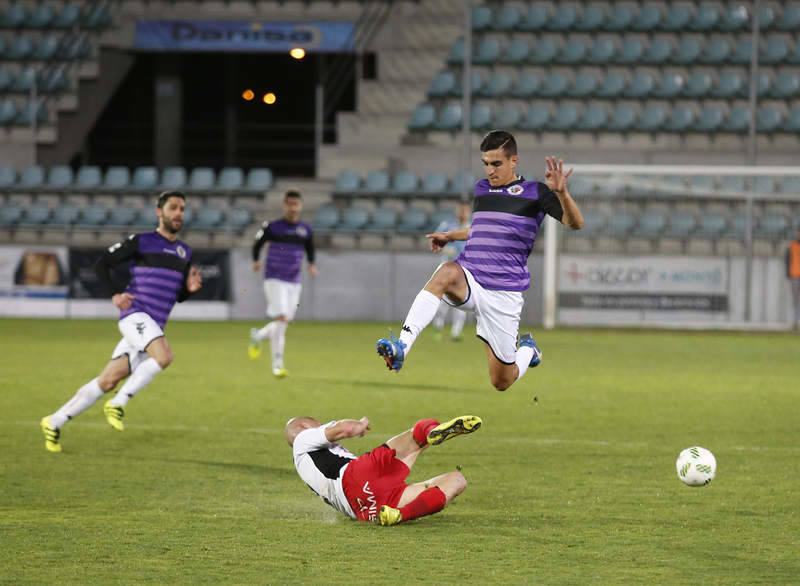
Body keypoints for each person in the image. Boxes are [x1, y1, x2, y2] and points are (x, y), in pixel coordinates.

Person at [377, 130, 583, 391]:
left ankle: (528, 351)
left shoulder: (536, 192)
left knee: (501, 381)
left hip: (504, 292)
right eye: (486, 163)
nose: (490, 170)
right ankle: (402, 346)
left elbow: (575, 223)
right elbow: (483, 227)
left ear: (513, 161)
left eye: (496, 163)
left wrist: (562, 194)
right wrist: (450, 236)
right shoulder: (482, 189)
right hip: (471, 275)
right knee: (446, 272)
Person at [40, 191, 203, 453]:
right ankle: (119, 403)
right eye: (173, 208)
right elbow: (102, 264)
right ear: (159, 212)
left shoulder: (185, 252)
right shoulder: (142, 242)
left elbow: (177, 295)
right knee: (164, 357)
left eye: (182, 209)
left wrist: (188, 290)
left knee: (107, 381)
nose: (178, 214)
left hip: (153, 326)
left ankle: (54, 421)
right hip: (136, 316)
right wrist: (115, 292)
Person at [286, 414, 481, 525]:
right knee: (418, 432)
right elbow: (343, 428)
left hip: (364, 509)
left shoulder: (304, 464)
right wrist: (359, 426)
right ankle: (430, 431)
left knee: (456, 480)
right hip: (354, 477)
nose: (320, 425)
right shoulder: (303, 439)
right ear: (304, 426)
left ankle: (398, 514)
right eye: (317, 423)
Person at [248, 189, 317, 377]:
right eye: (290, 204)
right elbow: (257, 243)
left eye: (296, 204)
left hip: (294, 281)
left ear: (300, 206)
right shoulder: (272, 227)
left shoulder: (305, 230)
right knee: (282, 320)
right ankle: (277, 364)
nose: (293, 208)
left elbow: (310, 248)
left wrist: (311, 264)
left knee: (284, 322)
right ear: (284, 205)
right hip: (274, 278)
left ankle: (258, 335)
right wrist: (256, 260)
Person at [431, 201, 471, 342]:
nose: (462, 213)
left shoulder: (471, 228)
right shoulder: (447, 226)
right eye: (460, 209)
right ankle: (438, 328)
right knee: (442, 302)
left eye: (464, 210)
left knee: (461, 302)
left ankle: (456, 332)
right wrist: (445, 249)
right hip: (447, 269)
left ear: (469, 212)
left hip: (463, 270)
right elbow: (434, 240)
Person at [786, 228, 800, 329]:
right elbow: (787, 260)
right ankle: (795, 321)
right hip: (794, 275)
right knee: (795, 300)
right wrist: (788, 274)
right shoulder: (792, 245)